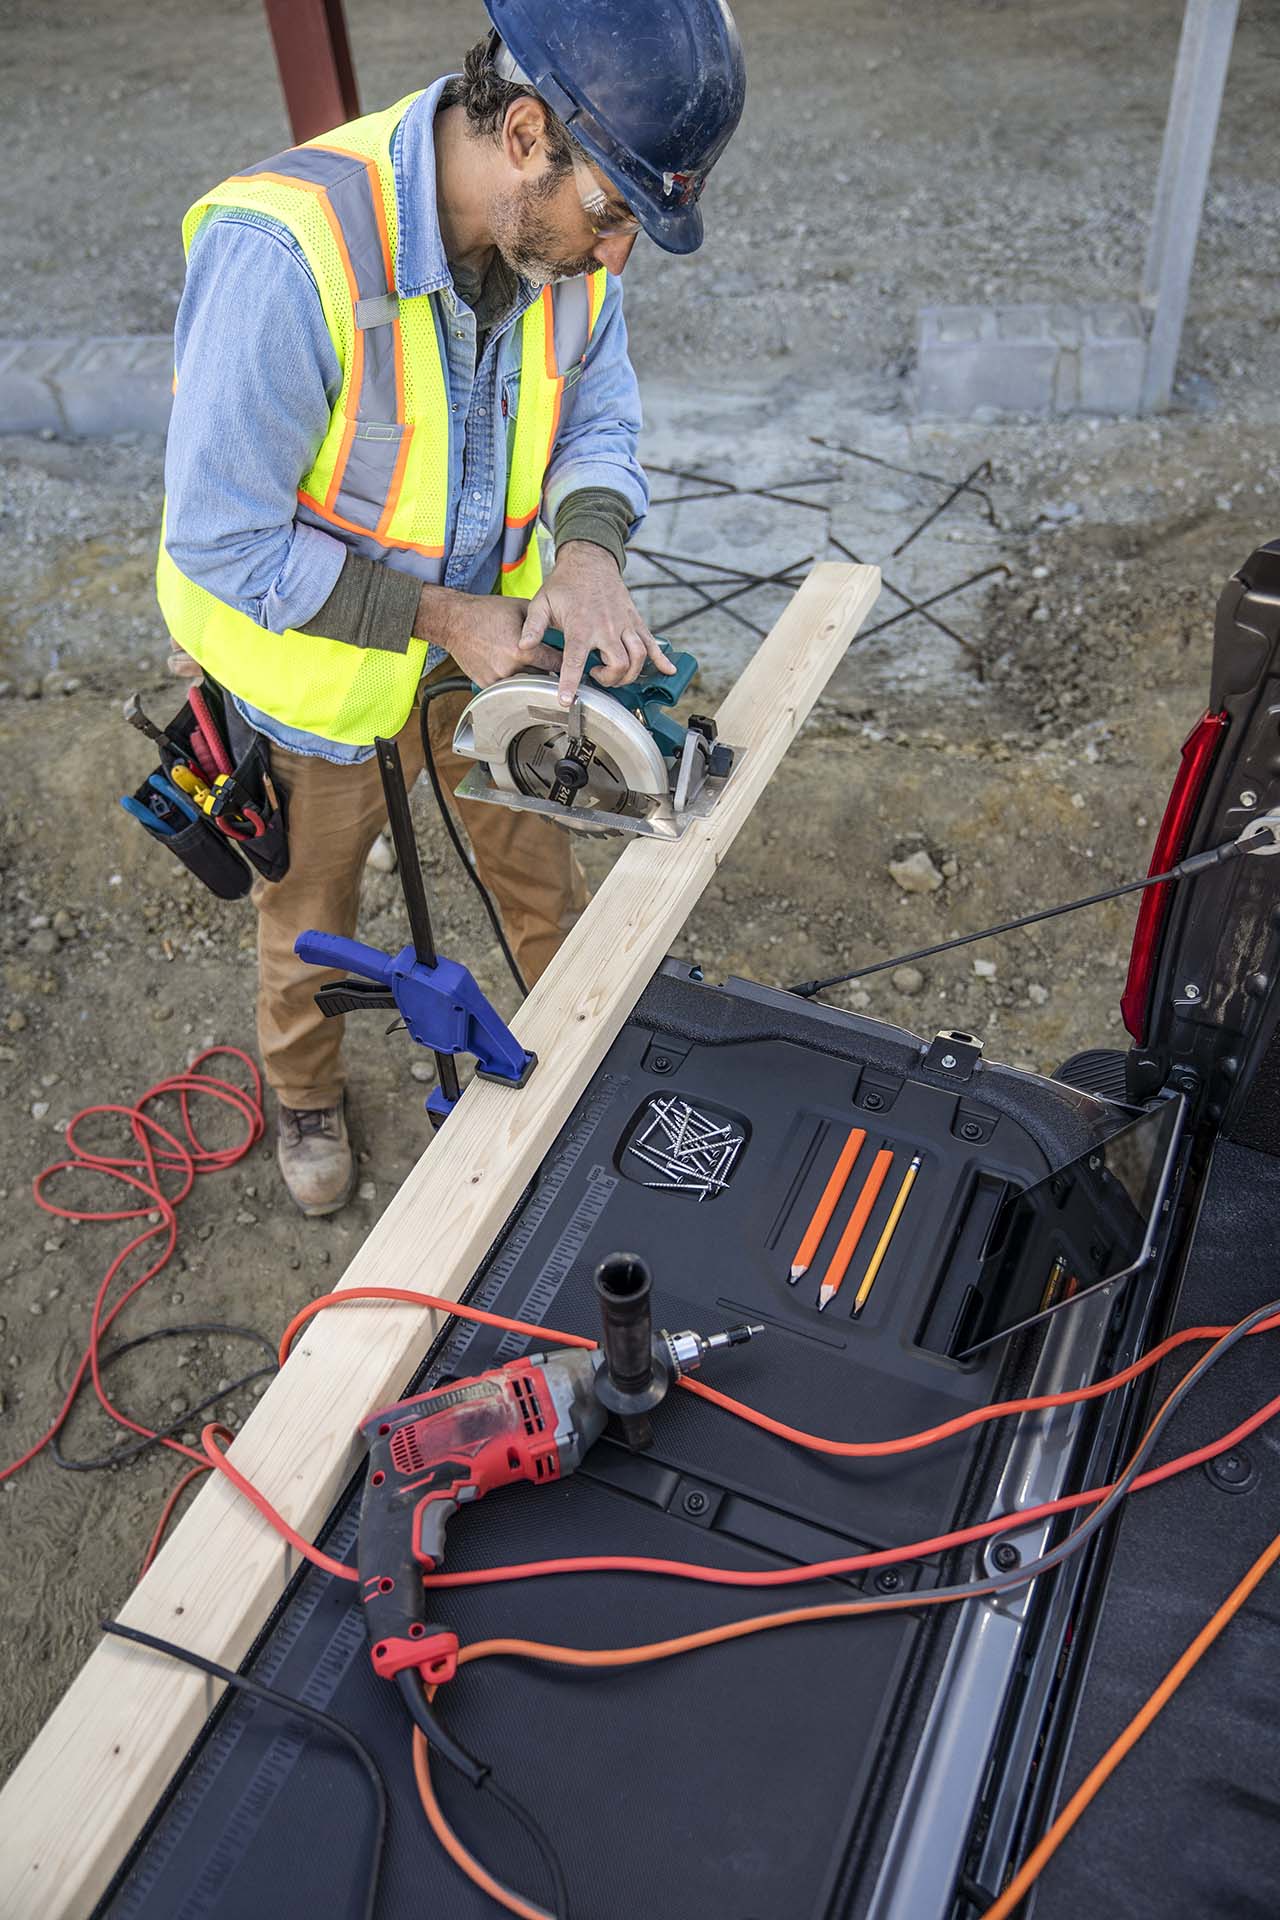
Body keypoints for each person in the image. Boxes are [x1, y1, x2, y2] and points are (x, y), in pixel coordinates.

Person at [157, 0, 745, 1214]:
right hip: (321, 678)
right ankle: (304, 1089)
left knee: (538, 866)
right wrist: (443, 619)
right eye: (612, 212)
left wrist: (588, 553)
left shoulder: (559, 248)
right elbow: (223, 535)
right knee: (309, 913)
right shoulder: (288, 254)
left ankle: (596, 1051)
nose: (615, 255)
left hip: (495, 646)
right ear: (525, 133)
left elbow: (598, 415)